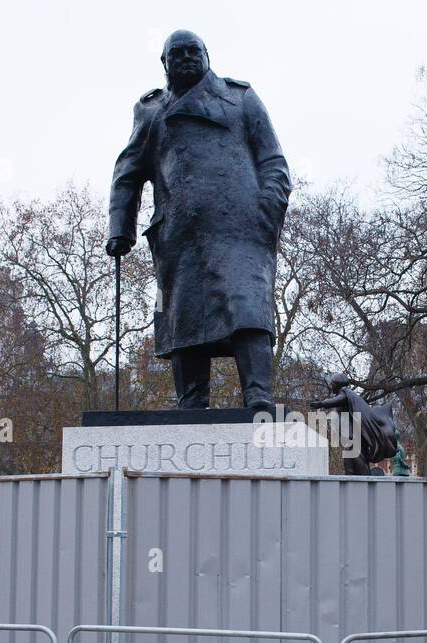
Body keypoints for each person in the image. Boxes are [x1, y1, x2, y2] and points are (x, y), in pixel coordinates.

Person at [106, 30, 291, 410]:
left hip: (241, 230)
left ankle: (258, 394)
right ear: (164, 63)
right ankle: (191, 401)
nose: (187, 58)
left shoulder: (241, 99)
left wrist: (266, 213)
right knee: (184, 317)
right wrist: (119, 229)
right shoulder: (152, 111)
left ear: (208, 55)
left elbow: (274, 162)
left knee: (247, 305)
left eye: (194, 51)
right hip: (180, 235)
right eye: (178, 53)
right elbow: (127, 171)